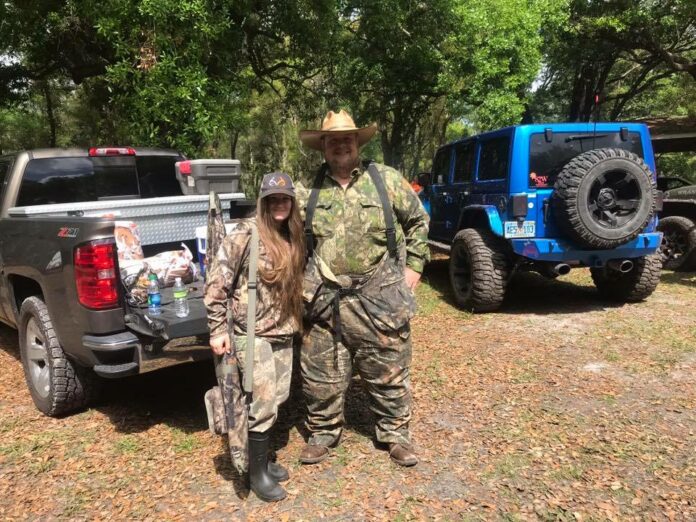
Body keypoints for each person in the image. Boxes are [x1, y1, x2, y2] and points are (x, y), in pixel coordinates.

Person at [297, 109, 430, 467]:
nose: (341, 144)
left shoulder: (384, 179)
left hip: (380, 296)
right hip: (324, 299)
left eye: (348, 138)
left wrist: (414, 268)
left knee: (389, 370)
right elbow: (279, 232)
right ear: (323, 146)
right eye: (333, 139)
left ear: (357, 142)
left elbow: (418, 221)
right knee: (320, 374)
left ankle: (395, 434)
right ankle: (322, 433)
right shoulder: (305, 190)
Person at [204, 172, 304, 502]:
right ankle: (255, 473)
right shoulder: (245, 233)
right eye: (272, 199)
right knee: (261, 403)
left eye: (284, 199)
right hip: (253, 334)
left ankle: (262, 459)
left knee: (277, 398)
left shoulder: (291, 234)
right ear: (262, 202)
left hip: (283, 331)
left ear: (291, 202)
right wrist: (218, 329)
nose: (279, 204)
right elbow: (216, 283)